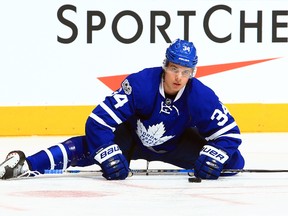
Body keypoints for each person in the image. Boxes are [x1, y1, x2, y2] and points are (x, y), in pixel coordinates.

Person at [0, 39, 245, 180]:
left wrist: (215, 156)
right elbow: (98, 121)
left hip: (176, 145)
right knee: (91, 145)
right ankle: (26, 164)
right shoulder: (141, 84)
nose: (178, 77)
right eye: (174, 69)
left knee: (233, 163)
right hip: (132, 139)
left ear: (193, 72)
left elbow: (230, 135)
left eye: (185, 71)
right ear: (164, 66)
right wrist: (107, 152)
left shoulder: (201, 96)